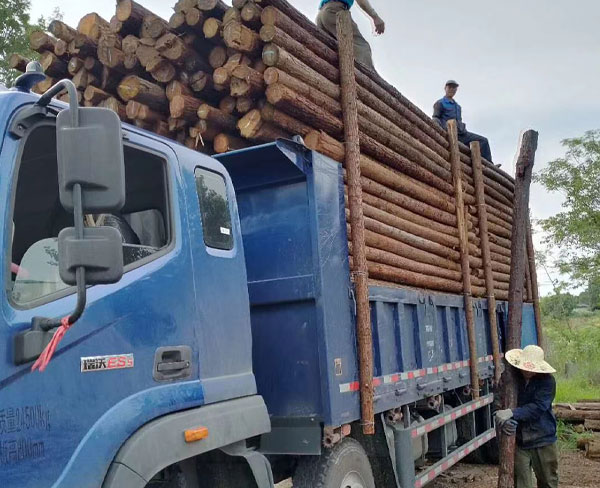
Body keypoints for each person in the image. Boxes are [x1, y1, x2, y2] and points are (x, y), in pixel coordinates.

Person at [495, 345, 559, 488]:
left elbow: (538, 407)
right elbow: (498, 401)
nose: (527, 371)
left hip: (543, 438)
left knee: (549, 482)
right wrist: (502, 420)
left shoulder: (548, 382)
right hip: (519, 440)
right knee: (522, 484)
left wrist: (512, 413)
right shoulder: (510, 378)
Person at [433, 80, 494, 163]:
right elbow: (435, 118)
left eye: (454, 88)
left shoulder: (457, 106)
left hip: (462, 133)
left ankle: (488, 165)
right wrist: (441, 131)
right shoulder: (440, 103)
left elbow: (459, 120)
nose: (452, 89)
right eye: (449, 87)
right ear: (445, 88)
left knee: (483, 141)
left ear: (456, 90)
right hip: (451, 133)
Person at [316, 0, 384, 71]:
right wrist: (375, 17)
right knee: (361, 47)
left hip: (321, 15)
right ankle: (370, 78)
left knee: (332, 50)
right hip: (334, 11)